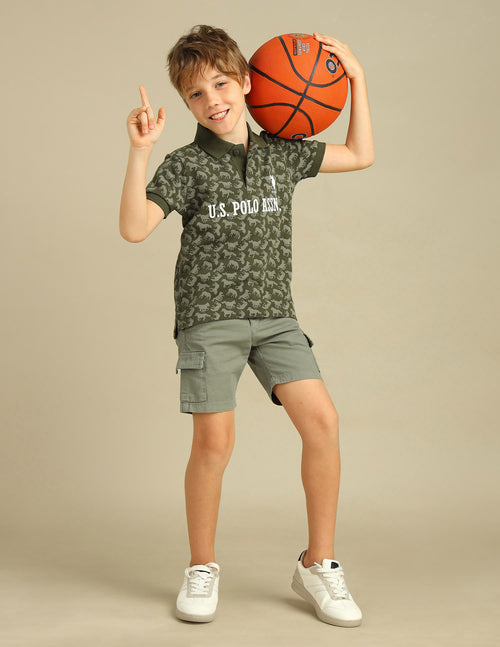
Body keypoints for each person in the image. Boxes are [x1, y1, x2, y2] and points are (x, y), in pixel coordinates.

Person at [119, 24, 374, 627]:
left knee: (324, 423)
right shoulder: (186, 165)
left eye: (221, 84)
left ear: (248, 83)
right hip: (209, 320)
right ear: (186, 105)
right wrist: (140, 150)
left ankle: (318, 563)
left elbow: (360, 154)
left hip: (276, 318)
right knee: (214, 443)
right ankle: (201, 567)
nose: (212, 100)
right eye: (195, 94)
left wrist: (356, 79)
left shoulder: (283, 152)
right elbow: (134, 228)